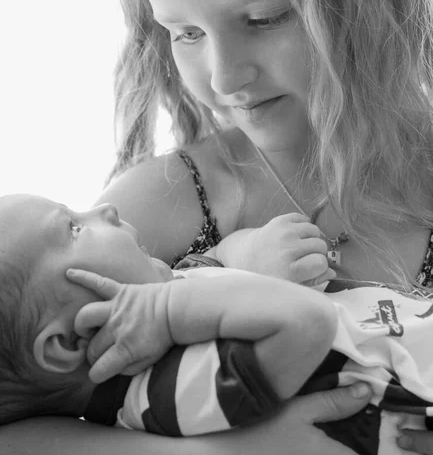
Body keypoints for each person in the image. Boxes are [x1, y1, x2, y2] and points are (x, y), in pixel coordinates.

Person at [3, 0, 433, 453]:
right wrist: (222, 451)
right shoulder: (161, 205)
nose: (225, 77)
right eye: (186, 33)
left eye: (263, 18)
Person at [0, 193, 431, 455]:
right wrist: (169, 309)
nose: (105, 208)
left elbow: (210, 269)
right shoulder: (171, 387)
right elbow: (308, 321)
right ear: (69, 341)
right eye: (74, 228)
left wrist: (245, 253)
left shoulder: (159, 297)